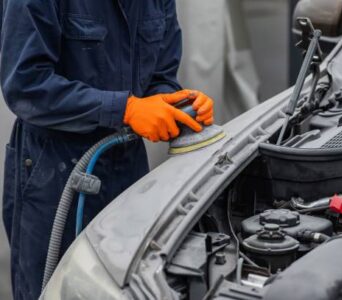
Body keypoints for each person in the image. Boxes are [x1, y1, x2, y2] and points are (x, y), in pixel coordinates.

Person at [0, 0, 214, 299]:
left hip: (127, 170)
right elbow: (25, 86)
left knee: (121, 287)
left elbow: (159, 78)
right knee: (54, 290)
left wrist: (177, 105)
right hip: (53, 174)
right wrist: (126, 110)